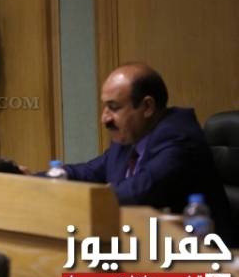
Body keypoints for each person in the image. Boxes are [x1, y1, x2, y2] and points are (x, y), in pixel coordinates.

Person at [32, 63, 235, 244]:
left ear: (147, 107)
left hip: (205, 259)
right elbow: (88, 172)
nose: (105, 118)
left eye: (114, 107)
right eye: (105, 107)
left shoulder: (179, 138)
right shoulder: (130, 136)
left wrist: (68, 200)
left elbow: (138, 192)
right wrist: (31, 180)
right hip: (144, 247)